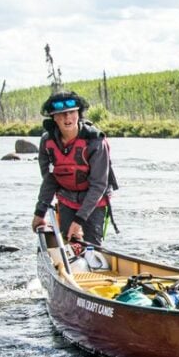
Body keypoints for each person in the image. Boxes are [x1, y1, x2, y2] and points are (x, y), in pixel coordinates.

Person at [31, 91, 118, 245]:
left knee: (91, 246)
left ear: (78, 113)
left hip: (95, 201)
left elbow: (98, 185)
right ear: (53, 117)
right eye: (61, 114)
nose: (67, 118)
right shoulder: (47, 142)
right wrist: (40, 212)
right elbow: (50, 180)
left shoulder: (95, 142)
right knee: (69, 243)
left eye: (71, 112)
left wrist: (79, 220)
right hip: (66, 198)